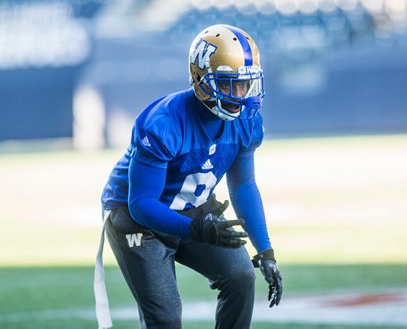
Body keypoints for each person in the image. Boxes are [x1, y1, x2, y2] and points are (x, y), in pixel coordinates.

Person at [95, 24, 282, 329]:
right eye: (227, 84)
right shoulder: (164, 122)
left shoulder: (246, 122)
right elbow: (141, 203)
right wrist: (195, 228)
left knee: (240, 277)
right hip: (135, 217)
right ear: (200, 78)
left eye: (243, 84)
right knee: (166, 318)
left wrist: (265, 250)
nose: (238, 96)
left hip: (192, 208)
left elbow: (244, 185)